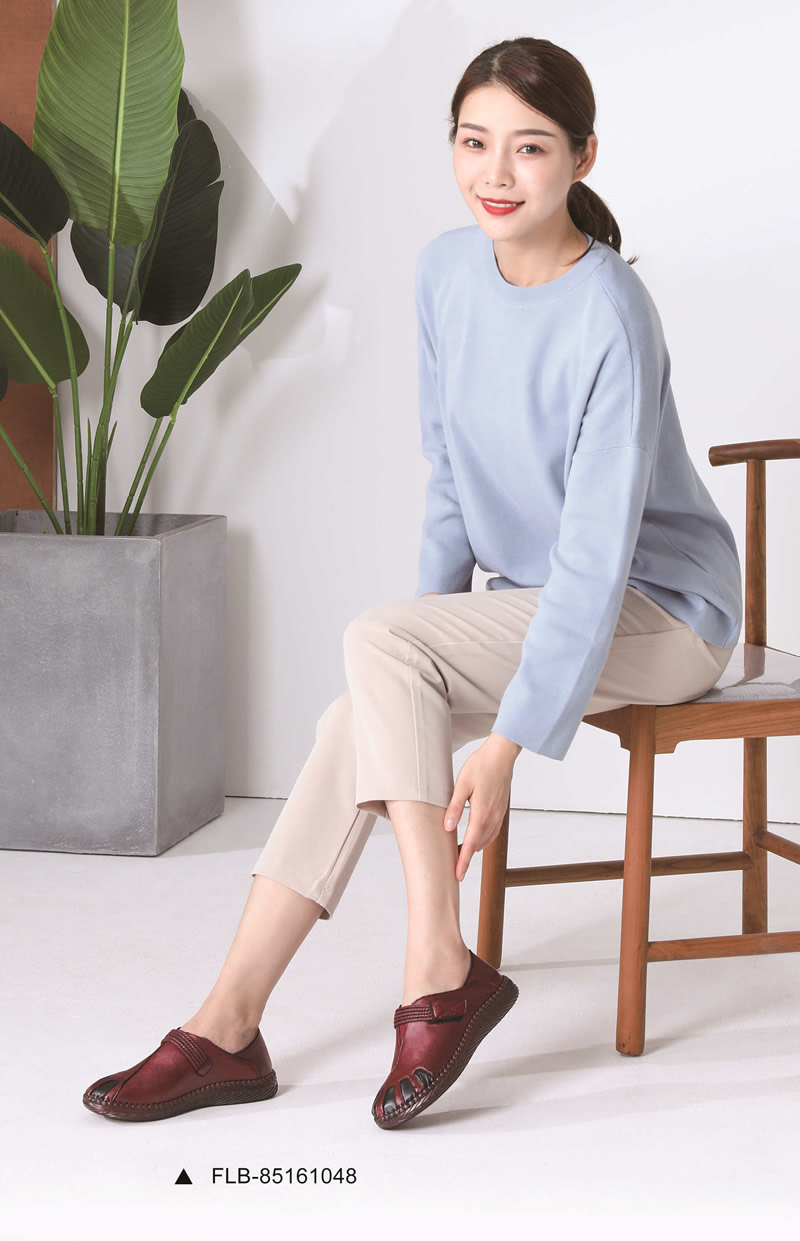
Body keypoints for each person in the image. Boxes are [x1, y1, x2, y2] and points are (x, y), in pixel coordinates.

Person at [82, 36, 742, 1130]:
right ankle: (232, 1020)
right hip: (539, 602)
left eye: (530, 148)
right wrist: (417, 668)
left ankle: (431, 962)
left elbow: (594, 555)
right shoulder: (445, 272)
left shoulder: (612, 314)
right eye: (474, 142)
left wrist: (504, 742)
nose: (497, 172)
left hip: (663, 612)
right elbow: (449, 476)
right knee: (366, 701)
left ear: (582, 157)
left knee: (383, 649)